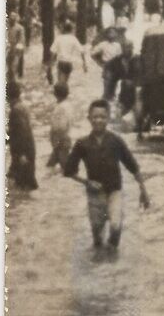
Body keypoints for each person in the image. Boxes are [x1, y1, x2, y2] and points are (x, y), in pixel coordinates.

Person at [63, 99, 150, 249]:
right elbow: (69, 171)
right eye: (95, 117)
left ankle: (113, 259)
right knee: (97, 238)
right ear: (89, 119)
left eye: (102, 117)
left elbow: (133, 166)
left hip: (114, 191)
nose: (98, 120)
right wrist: (86, 182)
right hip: (94, 194)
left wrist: (143, 190)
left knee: (115, 227)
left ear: (108, 118)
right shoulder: (82, 144)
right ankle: (101, 264)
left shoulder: (116, 141)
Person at [6, 82, 38, 191]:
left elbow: (21, 132)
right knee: (22, 184)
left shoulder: (15, 111)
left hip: (21, 153)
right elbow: (16, 131)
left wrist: (22, 155)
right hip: (27, 150)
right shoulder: (23, 106)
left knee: (22, 185)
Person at [47, 81, 74, 172]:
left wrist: (55, 139)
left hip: (61, 141)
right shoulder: (68, 105)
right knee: (50, 166)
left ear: (56, 94)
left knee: (65, 168)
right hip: (64, 139)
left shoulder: (60, 107)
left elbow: (60, 127)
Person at [91, 27, 124, 102]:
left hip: (115, 67)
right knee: (107, 83)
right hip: (107, 66)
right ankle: (106, 99)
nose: (112, 34)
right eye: (110, 33)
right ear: (106, 35)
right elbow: (93, 53)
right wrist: (99, 62)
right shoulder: (103, 44)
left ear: (116, 34)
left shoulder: (117, 45)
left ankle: (112, 98)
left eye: (113, 32)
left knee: (114, 83)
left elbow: (119, 56)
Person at [51, 20, 86, 86]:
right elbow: (82, 51)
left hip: (61, 62)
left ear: (63, 29)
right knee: (65, 82)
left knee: (60, 82)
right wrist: (84, 64)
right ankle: (64, 93)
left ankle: (61, 94)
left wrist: (50, 65)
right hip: (69, 63)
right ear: (71, 30)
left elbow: (53, 52)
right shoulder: (73, 38)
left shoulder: (59, 38)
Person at [7, 13, 27, 80]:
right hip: (8, 48)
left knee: (14, 65)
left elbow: (22, 39)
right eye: (11, 17)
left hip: (16, 49)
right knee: (8, 65)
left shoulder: (20, 28)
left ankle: (15, 79)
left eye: (14, 17)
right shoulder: (7, 27)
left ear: (16, 19)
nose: (12, 19)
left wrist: (19, 46)